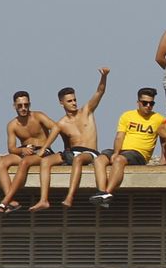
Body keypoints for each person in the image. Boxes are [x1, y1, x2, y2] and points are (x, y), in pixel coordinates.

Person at [26, 69, 110, 212]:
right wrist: (39, 152)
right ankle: (43, 200)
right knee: (46, 161)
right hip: (72, 152)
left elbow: (100, 91)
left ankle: (69, 197)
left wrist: (103, 76)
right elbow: (49, 141)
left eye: (75, 100)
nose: (74, 103)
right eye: (69, 101)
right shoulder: (61, 123)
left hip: (89, 153)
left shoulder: (86, 111)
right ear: (61, 103)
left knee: (78, 159)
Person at [0, 92, 58, 213]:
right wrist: (22, 150)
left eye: (26, 105)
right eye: (20, 106)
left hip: (42, 152)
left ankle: (5, 201)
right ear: (14, 106)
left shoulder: (38, 116)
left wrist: (44, 147)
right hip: (25, 151)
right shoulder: (12, 125)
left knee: (24, 162)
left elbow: (56, 127)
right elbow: (11, 148)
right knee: (1, 163)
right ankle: (12, 201)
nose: (23, 108)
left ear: (29, 105)